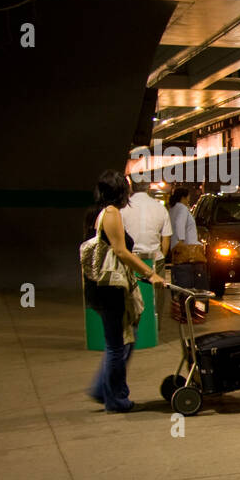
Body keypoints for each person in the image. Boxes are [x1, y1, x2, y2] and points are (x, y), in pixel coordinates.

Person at [85, 171, 167, 412]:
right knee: (120, 344)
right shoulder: (111, 213)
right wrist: (150, 274)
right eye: (127, 188)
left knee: (120, 342)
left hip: (101, 288)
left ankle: (102, 389)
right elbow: (121, 251)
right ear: (121, 191)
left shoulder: (98, 213)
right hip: (110, 289)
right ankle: (116, 399)